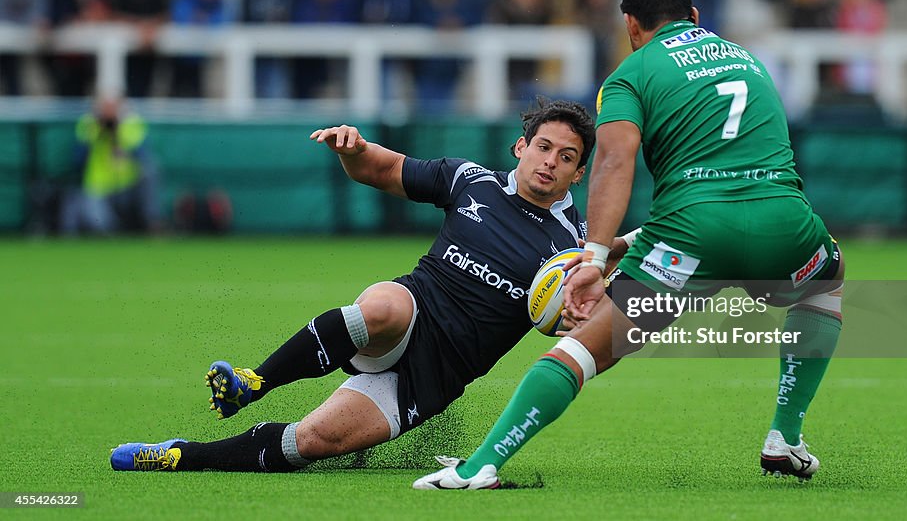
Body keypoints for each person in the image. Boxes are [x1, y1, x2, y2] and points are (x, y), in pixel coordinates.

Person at [414, 0, 845, 489]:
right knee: (826, 283)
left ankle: (480, 464)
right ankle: (785, 436)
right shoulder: (750, 61)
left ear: (631, 25)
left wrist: (594, 258)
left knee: (582, 352)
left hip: (690, 240)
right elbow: (740, 178)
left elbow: (615, 163)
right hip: (785, 224)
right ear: (694, 17)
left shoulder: (631, 74)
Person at [109, 98, 600, 473]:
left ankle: (178, 455)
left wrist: (576, 315)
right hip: (412, 313)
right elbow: (381, 168)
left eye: (566, 156)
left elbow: (587, 314)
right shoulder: (470, 181)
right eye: (543, 146)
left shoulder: (575, 249)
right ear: (521, 146)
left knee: (313, 442)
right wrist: (353, 150)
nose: (550, 161)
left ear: (578, 173)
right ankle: (251, 383)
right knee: (383, 305)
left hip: (437, 375)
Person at [60, 96, 161, 235]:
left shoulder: (130, 124)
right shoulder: (89, 124)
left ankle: (153, 222)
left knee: (151, 171)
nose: (109, 114)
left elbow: (143, 156)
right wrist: (97, 132)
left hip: (127, 187)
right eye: (105, 108)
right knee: (101, 225)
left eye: (113, 108)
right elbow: (77, 160)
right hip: (98, 189)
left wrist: (118, 134)